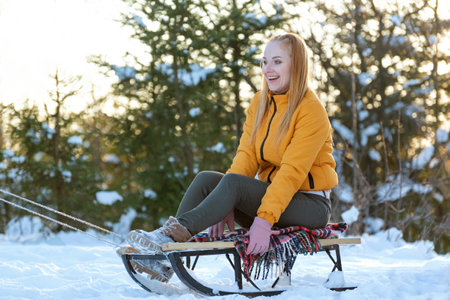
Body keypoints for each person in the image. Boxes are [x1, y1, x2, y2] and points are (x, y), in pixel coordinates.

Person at [125, 32, 338, 280]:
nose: (268, 69)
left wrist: (264, 221)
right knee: (207, 180)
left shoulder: (311, 110)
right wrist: (222, 203)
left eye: (277, 61)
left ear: (297, 65)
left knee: (234, 183)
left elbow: (292, 172)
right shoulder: (260, 103)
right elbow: (246, 155)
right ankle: (166, 259)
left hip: (309, 206)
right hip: (274, 197)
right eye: (264, 61)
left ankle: (172, 236)